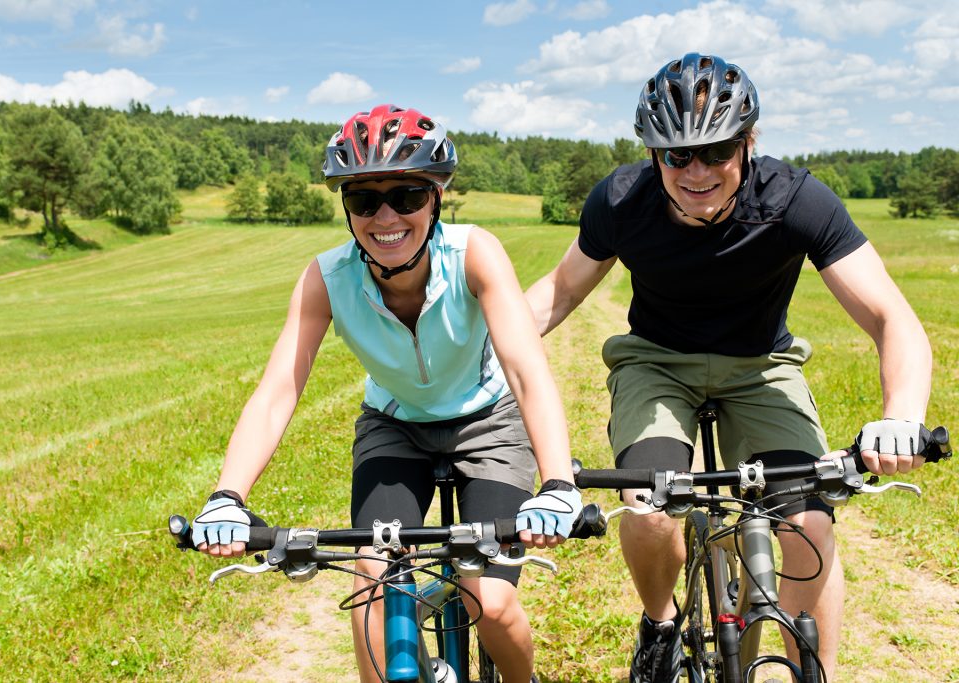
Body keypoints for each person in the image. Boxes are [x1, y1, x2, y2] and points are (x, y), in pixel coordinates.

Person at [524, 54, 932, 682]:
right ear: (652, 154)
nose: (696, 171)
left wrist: (902, 414)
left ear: (748, 142)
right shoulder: (621, 200)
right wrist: (482, 357)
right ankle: (660, 626)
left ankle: (808, 670)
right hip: (656, 363)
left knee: (806, 517)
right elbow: (561, 291)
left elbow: (889, 316)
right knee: (650, 501)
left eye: (716, 151)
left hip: (761, 365)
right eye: (676, 155)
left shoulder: (795, 200)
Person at [190, 104, 582, 683]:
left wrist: (557, 486)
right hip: (395, 426)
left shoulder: (474, 253)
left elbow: (526, 370)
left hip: (491, 421)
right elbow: (278, 390)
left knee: (491, 603)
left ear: (435, 201)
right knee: (372, 592)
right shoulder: (326, 278)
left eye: (406, 196)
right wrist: (227, 495)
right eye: (363, 200)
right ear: (347, 210)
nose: (386, 216)